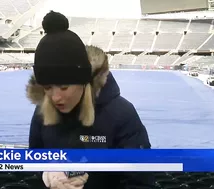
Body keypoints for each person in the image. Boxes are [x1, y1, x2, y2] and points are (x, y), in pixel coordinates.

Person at [27, 11, 155, 189]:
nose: (55, 97)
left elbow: (141, 181)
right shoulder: (42, 112)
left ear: (83, 81)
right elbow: (31, 163)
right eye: (48, 88)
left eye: (64, 87)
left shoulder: (122, 114)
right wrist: (46, 175)